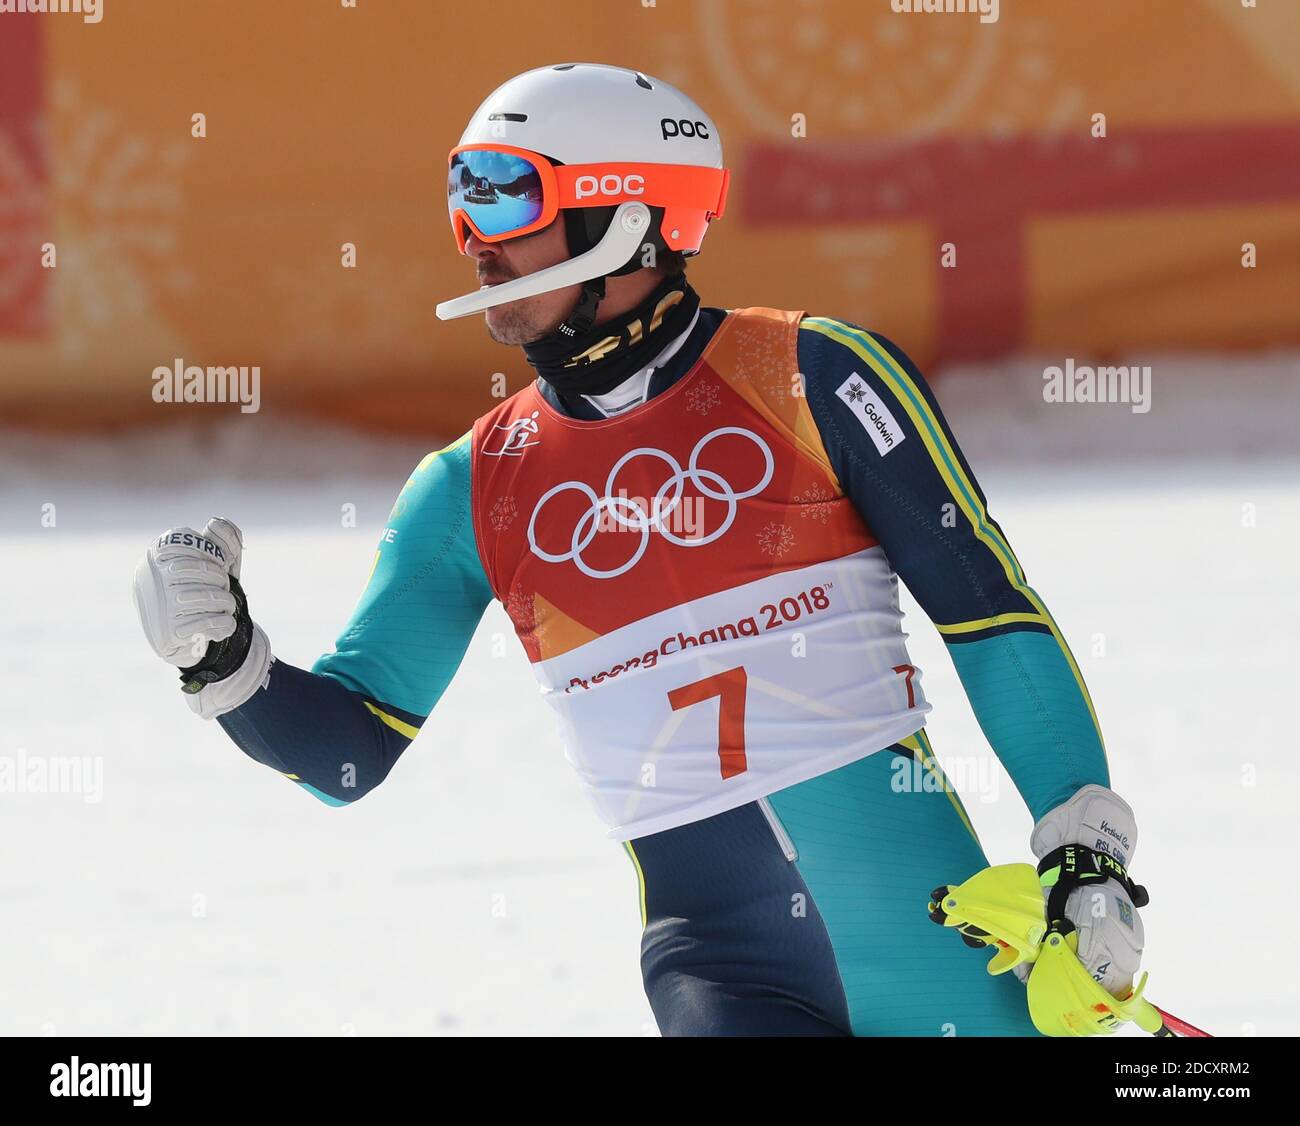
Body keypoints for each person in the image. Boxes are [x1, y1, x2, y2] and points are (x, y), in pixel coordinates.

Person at [133, 63, 1145, 1036]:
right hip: (724, 982)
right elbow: (345, 757)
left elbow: (989, 618)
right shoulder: (467, 487)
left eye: (501, 200)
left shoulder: (815, 374)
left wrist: (1083, 853)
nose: (471, 240)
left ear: (625, 215)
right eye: (460, 201)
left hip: (935, 953)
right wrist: (225, 665)